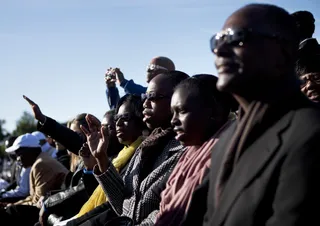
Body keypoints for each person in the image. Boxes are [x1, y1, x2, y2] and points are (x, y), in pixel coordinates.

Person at [188, 4, 320, 226]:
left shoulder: (311, 134)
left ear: (283, 53)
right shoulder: (226, 142)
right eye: (217, 41)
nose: (219, 50)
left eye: (236, 38)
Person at [80, 71, 189, 226]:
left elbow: (165, 215)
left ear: (178, 100)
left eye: (153, 97)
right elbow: (124, 206)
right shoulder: (147, 146)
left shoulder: (186, 151)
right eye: (145, 97)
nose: (145, 103)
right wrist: (101, 158)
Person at [154, 74, 237, 226]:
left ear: (214, 111)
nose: (173, 120)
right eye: (173, 112)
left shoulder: (229, 153)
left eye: (182, 111)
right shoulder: (187, 155)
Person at [61, 95, 146, 226]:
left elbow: (118, 204)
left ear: (141, 120)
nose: (118, 124)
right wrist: (90, 167)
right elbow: (95, 192)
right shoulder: (122, 155)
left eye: (125, 118)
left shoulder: (144, 154)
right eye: (117, 119)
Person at [0, 133, 69, 226]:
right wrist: (14, 204)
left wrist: (13, 206)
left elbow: (38, 202)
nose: (17, 159)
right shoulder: (38, 161)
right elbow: (33, 197)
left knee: (11, 211)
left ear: (29, 151)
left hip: (56, 209)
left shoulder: (40, 164)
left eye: (19, 154)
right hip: (50, 205)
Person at [107, 56, 175, 96]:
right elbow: (117, 111)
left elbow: (147, 94)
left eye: (152, 67)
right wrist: (111, 88)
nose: (148, 70)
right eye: (148, 67)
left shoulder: (170, 95)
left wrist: (123, 82)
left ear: (166, 72)